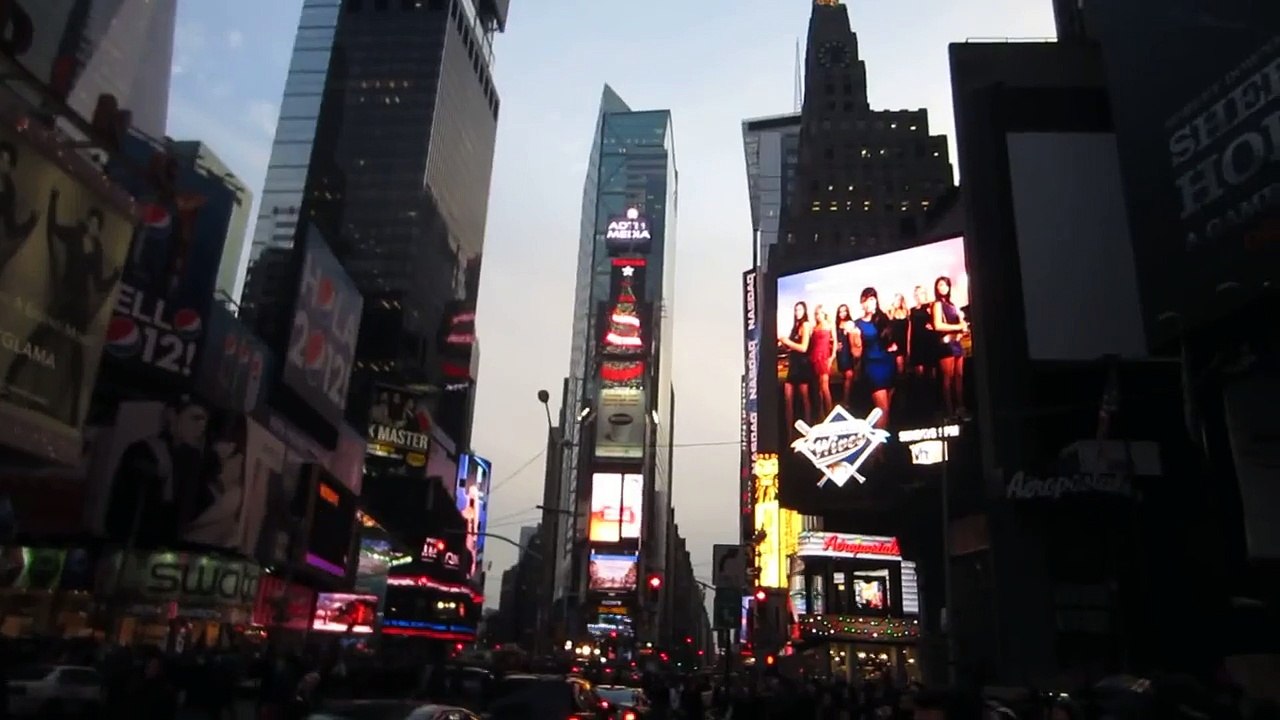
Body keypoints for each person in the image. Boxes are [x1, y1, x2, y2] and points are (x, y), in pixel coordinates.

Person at [3, 188, 121, 426]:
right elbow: (54, 227)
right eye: (92, 221)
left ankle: (75, 415)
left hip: (79, 304)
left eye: (98, 224)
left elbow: (98, 282)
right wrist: (54, 200)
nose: (93, 226)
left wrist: (114, 276)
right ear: (88, 222)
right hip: (64, 297)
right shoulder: (74, 235)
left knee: (77, 358)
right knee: (36, 339)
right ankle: (7, 382)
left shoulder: (96, 250)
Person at [104, 397, 211, 545]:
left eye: (204, 422)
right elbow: (123, 508)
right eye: (195, 418)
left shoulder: (192, 461)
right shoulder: (143, 451)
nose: (201, 427)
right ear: (172, 415)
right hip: (134, 543)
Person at [181, 415, 250, 549]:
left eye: (231, 442)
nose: (227, 447)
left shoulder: (238, 488)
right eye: (223, 441)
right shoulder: (199, 464)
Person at [0, 140, 38, 275]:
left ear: (10, 167)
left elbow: (11, 227)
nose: (1, 163)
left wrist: (31, 222)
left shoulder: (8, 191)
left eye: (5, 161)